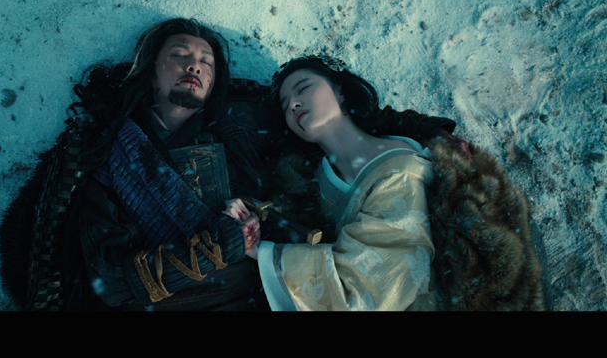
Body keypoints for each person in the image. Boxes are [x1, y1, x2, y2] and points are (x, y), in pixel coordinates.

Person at [0, 20, 459, 311]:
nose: (194, 66)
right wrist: (214, 247)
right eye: (179, 55)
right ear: (151, 69)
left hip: (275, 293)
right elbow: (109, 281)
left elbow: (333, 116)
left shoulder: (242, 124)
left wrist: (422, 132)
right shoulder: (107, 151)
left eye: (206, 62)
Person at [234, 55, 548, 311]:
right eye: (286, 104)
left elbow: (374, 285)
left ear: (341, 92)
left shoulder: (403, 164)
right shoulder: (311, 182)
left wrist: (262, 251)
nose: (293, 104)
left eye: (303, 88)